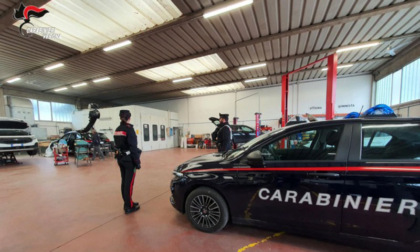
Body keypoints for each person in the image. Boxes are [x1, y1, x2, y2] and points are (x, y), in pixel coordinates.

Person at [114, 110, 142, 214]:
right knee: (129, 184)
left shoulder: (117, 129)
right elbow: (133, 147)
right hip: (129, 160)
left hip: (120, 159)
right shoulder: (129, 129)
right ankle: (129, 206)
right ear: (129, 117)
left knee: (124, 181)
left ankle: (127, 202)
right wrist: (137, 161)